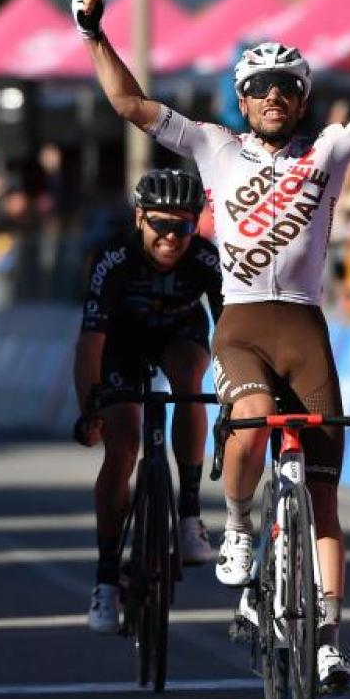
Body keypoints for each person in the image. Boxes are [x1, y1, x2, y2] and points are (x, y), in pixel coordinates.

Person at [72, 0, 350, 693]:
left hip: (307, 328)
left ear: (302, 98)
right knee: (247, 425)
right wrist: (95, 34)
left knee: (325, 497)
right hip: (244, 324)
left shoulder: (330, 151)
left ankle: (328, 642)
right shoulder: (214, 146)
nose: (274, 97)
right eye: (260, 88)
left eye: (287, 87)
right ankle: (242, 527)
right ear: (242, 100)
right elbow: (129, 102)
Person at [73, 169, 223, 634]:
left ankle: (191, 515)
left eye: (183, 226)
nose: (171, 237)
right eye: (160, 224)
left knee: (188, 378)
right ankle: (105, 580)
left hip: (180, 334)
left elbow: (233, 332)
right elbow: (91, 342)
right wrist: (89, 409)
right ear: (139, 218)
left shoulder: (205, 258)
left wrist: (239, 389)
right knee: (121, 449)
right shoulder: (113, 260)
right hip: (122, 341)